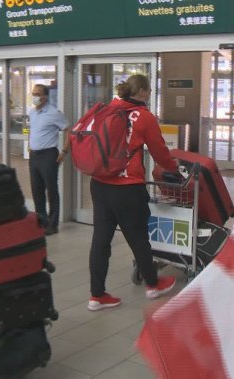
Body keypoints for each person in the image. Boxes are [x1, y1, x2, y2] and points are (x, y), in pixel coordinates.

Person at [87, 74, 178, 311]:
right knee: (138, 237)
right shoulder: (144, 117)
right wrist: (175, 168)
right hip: (127, 187)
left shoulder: (107, 110)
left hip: (99, 183)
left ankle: (97, 295)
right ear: (144, 92)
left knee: (101, 239)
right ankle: (152, 284)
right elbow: (159, 152)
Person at [28, 84, 69, 235]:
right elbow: (32, 130)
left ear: (45, 96)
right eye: (33, 93)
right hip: (34, 156)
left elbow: (68, 129)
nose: (34, 96)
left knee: (51, 189)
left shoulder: (54, 113)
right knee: (36, 189)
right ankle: (41, 221)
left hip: (48, 155)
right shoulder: (32, 112)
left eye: (37, 94)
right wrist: (30, 145)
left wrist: (64, 150)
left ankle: (52, 224)